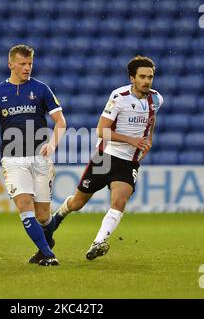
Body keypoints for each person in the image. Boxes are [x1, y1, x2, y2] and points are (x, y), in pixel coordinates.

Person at [0, 44, 66, 266]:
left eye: (30, 64)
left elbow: (61, 122)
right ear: (11, 65)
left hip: (40, 159)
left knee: (44, 216)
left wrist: (53, 144)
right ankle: (48, 255)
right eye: (22, 64)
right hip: (13, 159)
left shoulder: (42, 89)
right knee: (24, 204)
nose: (27, 68)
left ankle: (43, 247)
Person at [53, 56, 163, 260]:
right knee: (77, 203)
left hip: (128, 161)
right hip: (106, 156)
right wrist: (131, 140)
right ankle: (58, 215)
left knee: (119, 200)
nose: (147, 81)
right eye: (142, 77)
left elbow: (152, 119)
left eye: (150, 77)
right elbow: (101, 131)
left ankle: (98, 243)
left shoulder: (156, 99)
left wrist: (149, 139)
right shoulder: (119, 96)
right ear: (132, 78)